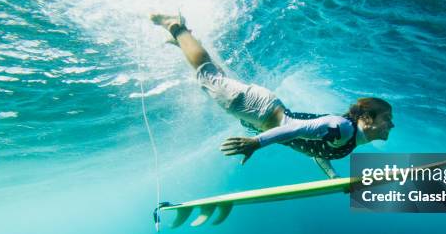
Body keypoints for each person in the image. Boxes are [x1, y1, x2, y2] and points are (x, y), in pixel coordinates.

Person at [150, 14, 394, 178]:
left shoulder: (347, 139)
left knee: (217, 79)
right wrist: (256, 143)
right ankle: (177, 27)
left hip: (261, 113)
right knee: (207, 76)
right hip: (261, 109)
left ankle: (184, 41)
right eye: (387, 118)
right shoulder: (341, 127)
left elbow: (316, 152)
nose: (391, 124)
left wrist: (333, 178)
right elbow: (294, 129)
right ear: (369, 118)